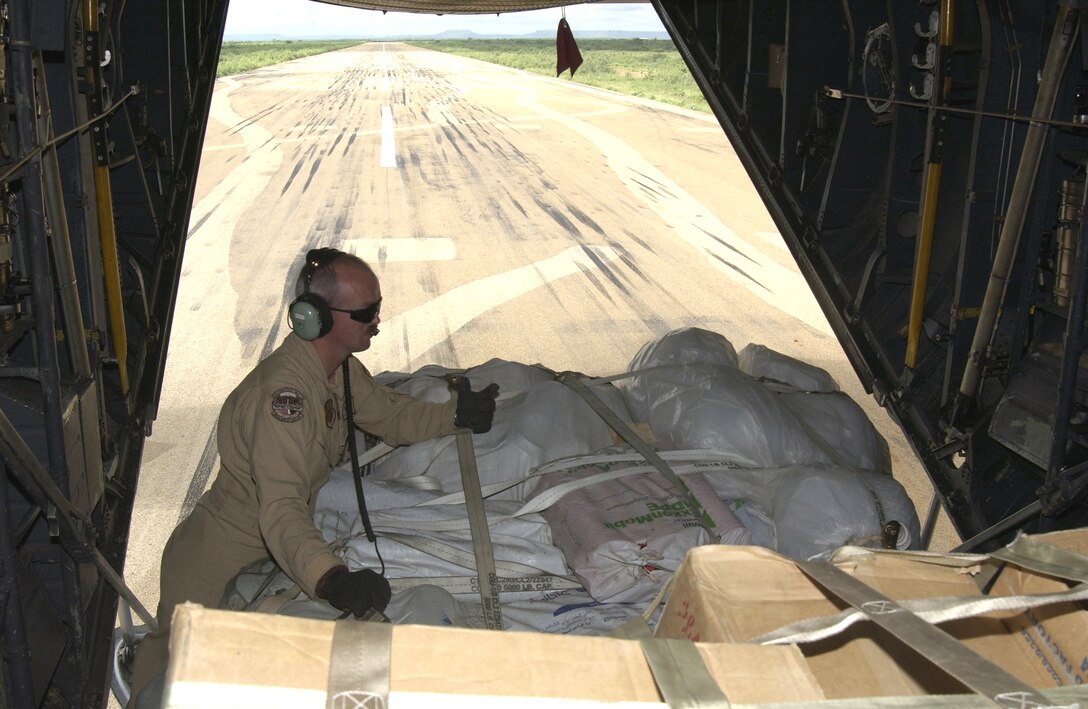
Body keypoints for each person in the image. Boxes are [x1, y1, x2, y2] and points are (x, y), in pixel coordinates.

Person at [127, 247, 499, 703]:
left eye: (378, 308)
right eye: (366, 312)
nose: (377, 322)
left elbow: (388, 416)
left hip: (276, 547)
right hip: (219, 556)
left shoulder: (336, 370)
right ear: (316, 317)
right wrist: (331, 578)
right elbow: (280, 508)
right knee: (171, 682)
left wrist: (457, 415)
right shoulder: (284, 399)